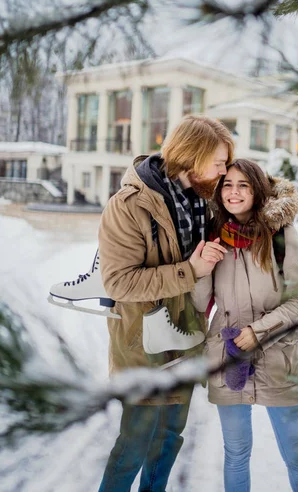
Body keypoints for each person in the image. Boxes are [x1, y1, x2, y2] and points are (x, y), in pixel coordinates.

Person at [97, 115, 234, 492]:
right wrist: (189, 269)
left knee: (169, 439)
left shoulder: (202, 203)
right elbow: (119, 282)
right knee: (135, 444)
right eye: (219, 162)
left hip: (185, 341)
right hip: (143, 346)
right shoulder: (128, 207)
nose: (224, 171)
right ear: (192, 156)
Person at [191, 159, 298, 492]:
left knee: (296, 455)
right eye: (227, 185)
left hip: (279, 359)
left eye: (243, 185)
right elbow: (198, 305)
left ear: (257, 189)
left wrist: (258, 333)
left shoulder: (281, 234)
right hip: (228, 355)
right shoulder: (214, 236)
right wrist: (201, 268)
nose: (234, 192)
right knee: (235, 454)